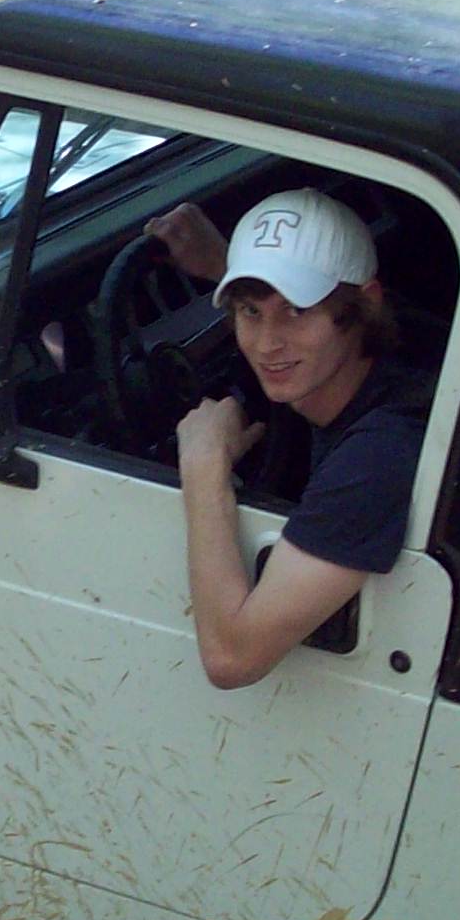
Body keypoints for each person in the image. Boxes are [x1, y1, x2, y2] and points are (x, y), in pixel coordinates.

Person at [145, 187, 430, 688]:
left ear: (365, 305)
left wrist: (205, 467)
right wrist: (225, 265)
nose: (268, 344)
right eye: (249, 312)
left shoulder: (381, 455)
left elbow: (232, 658)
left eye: (297, 311)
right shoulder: (394, 345)